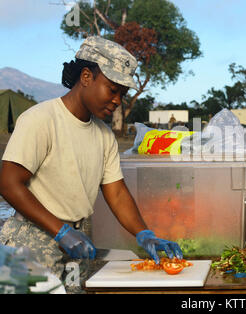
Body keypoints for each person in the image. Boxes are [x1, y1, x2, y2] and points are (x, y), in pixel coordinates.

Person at [0, 36, 182, 290]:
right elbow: (9, 183)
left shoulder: (104, 135)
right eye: (113, 89)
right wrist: (61, 231)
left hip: (78, 243)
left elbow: (116, 193)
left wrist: (144, 234)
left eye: (123, 93)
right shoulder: (41, 120)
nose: (118, 100)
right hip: (32, 243)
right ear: (87, 77)